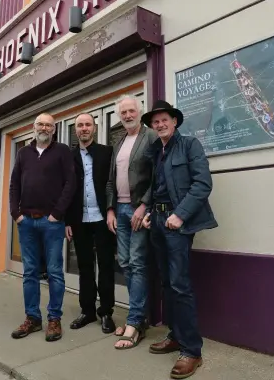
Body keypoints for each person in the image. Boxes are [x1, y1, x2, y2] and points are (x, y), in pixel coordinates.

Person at [141, 100, 218, 379]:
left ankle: (192, 351)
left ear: (175, 122)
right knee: (166, 282)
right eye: (155, 121)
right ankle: (175, 335)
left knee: (179, 284)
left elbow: (202, 184)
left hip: (177, 223)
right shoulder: (155, 151)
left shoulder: (189, 146)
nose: (160, 124)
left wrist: (181, 215)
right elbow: (157, 187)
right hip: (158, 222)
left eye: (165, 120)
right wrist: (150, 212)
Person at [9, 113, 75, 342]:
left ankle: (54, 319)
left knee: (55, 272)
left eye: (49, 125)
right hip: (26, 221)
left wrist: (58, 213)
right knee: (29, 273)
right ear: (33, 127)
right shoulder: (23, 153)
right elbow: (14, 184)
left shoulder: (62, 151)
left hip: (51, 223)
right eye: (40, 124)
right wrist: (15, 214)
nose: (44, 128)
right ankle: (33, 318)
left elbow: (71, 183)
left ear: (54, 129)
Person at [106, 94, 157, 349]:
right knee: (125, 262)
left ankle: (134, 323)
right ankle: (140, 317)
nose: (127, 115)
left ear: (140, 111)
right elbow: (110, 180)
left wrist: (144, 206)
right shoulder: (119, 142)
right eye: (123, 112)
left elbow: (157, 175)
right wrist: (110, 210)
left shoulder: (150, 137)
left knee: (137, 263)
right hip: (121, 211)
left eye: (131, 110)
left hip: (139, 211)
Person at [64, 113, 116, 334]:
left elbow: (113, 183)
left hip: (103, 218)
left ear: (94, 128)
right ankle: (87, 311)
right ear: (75, 130)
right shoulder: (68, 156)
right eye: (80, 125)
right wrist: (67, 221)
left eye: (87, 125)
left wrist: (112, 210)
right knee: (85, 266)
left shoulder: (106, 152)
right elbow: (65, 188)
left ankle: (106, 312)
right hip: (79, 219)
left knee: (105, 266)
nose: (84, 128)